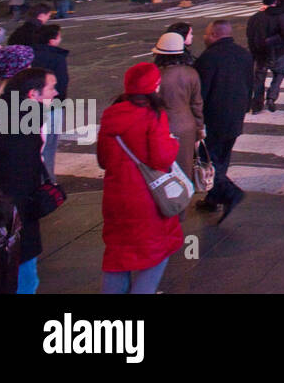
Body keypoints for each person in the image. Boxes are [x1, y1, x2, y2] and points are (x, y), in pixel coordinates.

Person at [96, 62, 182, 294]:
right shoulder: (153, 115)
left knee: (117, 256)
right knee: (155, 253)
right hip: (146, 198)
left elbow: (103, 160)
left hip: (116, 197)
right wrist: (173, 142)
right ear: (154, 86)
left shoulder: (111, 114)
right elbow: (161, 159)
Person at [0, 67, 57, 293]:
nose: (55, 93)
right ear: (33, 94)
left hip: (7, 216)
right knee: (25, 281)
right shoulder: (22, 128)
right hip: (13, 222)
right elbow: (19, 179)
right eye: (51, 88)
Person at [194, 20, 253, 223]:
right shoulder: (244, 54)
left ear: (214, 34)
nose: (204, 37)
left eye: (206, 34)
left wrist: (198, 121)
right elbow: (250, 85)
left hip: (214, 119)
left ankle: (230, 193)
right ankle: (213, 199)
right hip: (235, 117)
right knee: (222, 158)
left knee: (206, 160)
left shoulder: (207, 58)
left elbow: (200, 94)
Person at [150, 33, 204, 190]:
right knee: (185, 168)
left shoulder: (156, 74)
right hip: (186, 124)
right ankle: (182, 207)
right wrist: (199, 128)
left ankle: (167, 205)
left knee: (163, 170)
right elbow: (197, 104)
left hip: (161, 125)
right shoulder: (191, 73)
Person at [247, 0, 284, 113]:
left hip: (260, 55)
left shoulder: (255, 18)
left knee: (259, 79)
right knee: (279, 73)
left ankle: (257, 105)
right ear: (275, 2)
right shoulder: (280, 17)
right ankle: (271, 97)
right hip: (277, 53)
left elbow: (249, 36)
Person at [30, 26, 69, 179]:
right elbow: (62, 83)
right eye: (59, 36)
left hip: (30, 105)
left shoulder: (29, 53)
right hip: (52, 107)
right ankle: (48, 180)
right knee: (49, 146)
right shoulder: (57, 57)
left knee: (35, 146)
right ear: (52, 40)